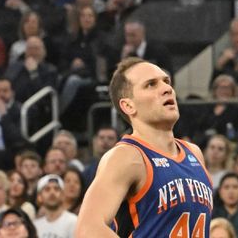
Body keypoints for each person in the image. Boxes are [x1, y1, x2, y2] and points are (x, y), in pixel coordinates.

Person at [75, 58, 213, 237]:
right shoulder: (127, 156)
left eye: (166, 81)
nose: (166, 89)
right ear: (128, 106)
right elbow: (88, 229)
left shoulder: (194, 153)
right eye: (151, 85)